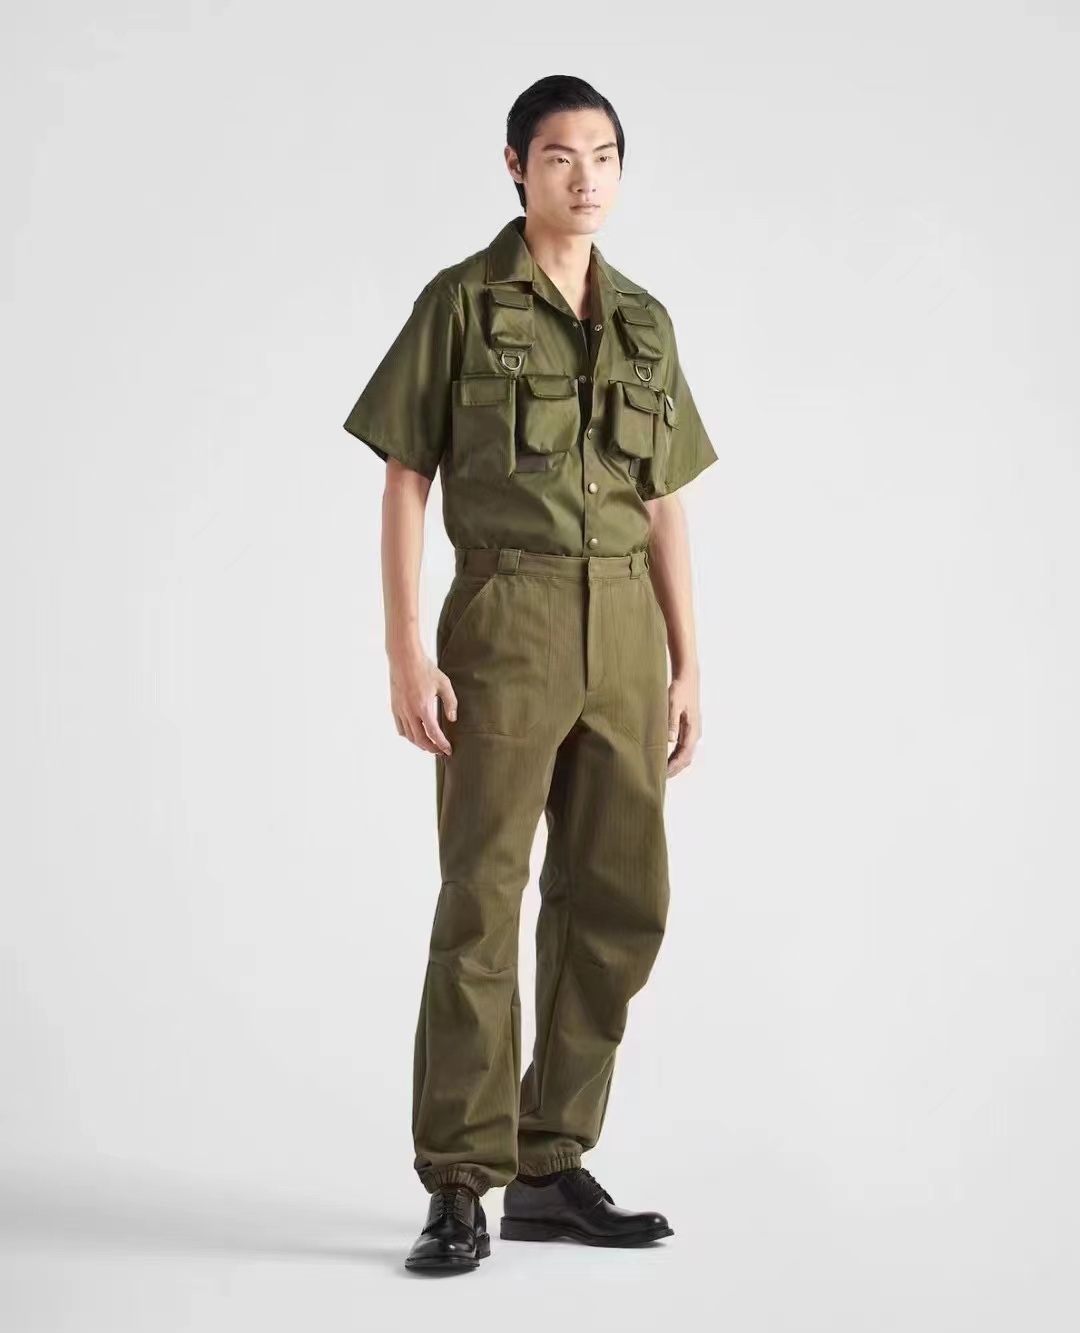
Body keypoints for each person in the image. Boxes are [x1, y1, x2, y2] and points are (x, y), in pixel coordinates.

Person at [342, 74, 717, 1274]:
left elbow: (664, 500)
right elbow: (406, 473)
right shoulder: (462, 301)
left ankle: (550, 1162)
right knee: (483, 898)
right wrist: (406, 646)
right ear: (515, 166)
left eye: (604, 155)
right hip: (507, 616)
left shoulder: (646, 321)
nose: (585, 178)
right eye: (560, 156)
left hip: (628, 630)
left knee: (619, 898)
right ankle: (460, 1179)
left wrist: (689, 661)